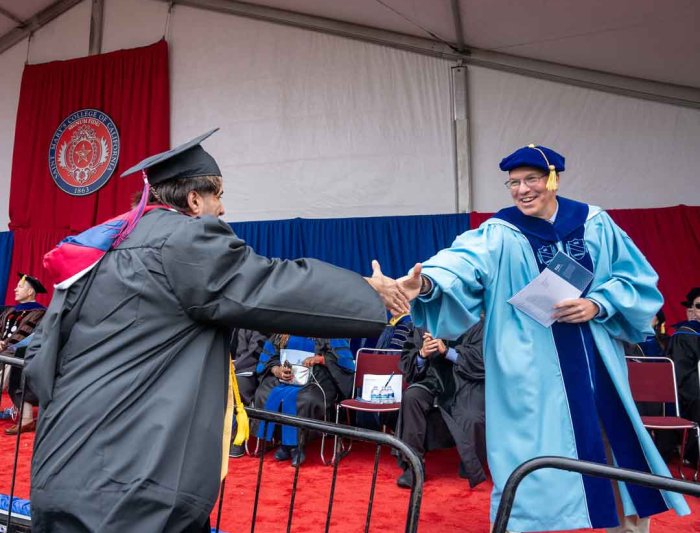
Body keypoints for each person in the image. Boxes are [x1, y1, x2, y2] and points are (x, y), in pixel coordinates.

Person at [23, 129, 407, 532]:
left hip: (60, 471)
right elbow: (269, 286)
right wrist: (368, 292)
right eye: (217, 196)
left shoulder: (95, 253)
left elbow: (37, 362)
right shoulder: (183, 239)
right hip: (131, 487)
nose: (221, 210)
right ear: (193, 200)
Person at [397, 144, 689, 532]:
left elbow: (637, 280)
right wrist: (427, 282)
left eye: (531, 179)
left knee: (612, 448)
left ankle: (625, 526)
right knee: (535, 462)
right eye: (514, 182)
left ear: (552, 179)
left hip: (595, 364)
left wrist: (598, 304)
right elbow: (462, 264)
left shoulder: (594, 223)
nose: (521, 190)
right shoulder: (500, 233)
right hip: (531, 373)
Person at [396, 320, 486, 489]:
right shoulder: (424, 322)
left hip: (465, 382)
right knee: (412, 396)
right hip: (433, 379)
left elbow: (482, 359)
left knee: (472, 415)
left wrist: (448, 352)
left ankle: (470, 464)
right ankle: (414, 466)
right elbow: (409, 361)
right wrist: (422, 354)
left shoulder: (475, 322)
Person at [254, 334, 354, 466]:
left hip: (317, 378)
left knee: (306, 399)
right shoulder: (284, 329)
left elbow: (344, 363)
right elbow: (270, 359)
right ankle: (283, 442)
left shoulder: (329, 328)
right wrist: (276, 369)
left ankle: (296, 446)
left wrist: (321, 359)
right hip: (284, 379)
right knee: (264, 393)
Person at [0, 273, 46, 433]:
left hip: (17, 354)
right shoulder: (9, 310)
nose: (15, 289)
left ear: (31, 292)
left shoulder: (39, 313)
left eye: (20, 287)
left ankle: (26, 419)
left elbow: (28, 337)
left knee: (11, 363)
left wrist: (4, 344)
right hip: (4, 352)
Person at [667, 287, 700, 463]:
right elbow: (683, 377)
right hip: (690, 393)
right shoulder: (686, 334)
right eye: (699, 306)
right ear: (693, 310)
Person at [229, 328, 268, 458]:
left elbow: (254, 354)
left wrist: (234, 366)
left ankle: (236, 439)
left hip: (251, 371)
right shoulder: (236, 323)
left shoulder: (258, 324)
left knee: (237, 389)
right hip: (236, 367)